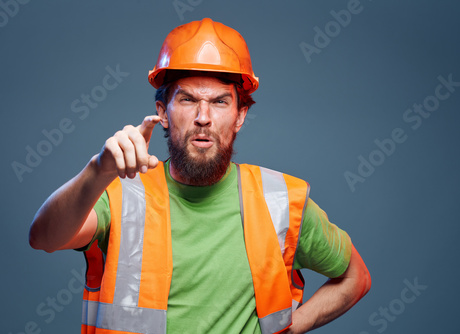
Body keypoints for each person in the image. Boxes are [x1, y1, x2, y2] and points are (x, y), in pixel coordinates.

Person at [29, 18, 371, 334]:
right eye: (188, 99)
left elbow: (356, 277)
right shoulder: (120, 193)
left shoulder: (281, 201)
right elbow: (44, 238)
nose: (203, 117)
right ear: (163, 112)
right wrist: (97, 169)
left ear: (240, 115)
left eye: (220, 102)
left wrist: (290, 328)